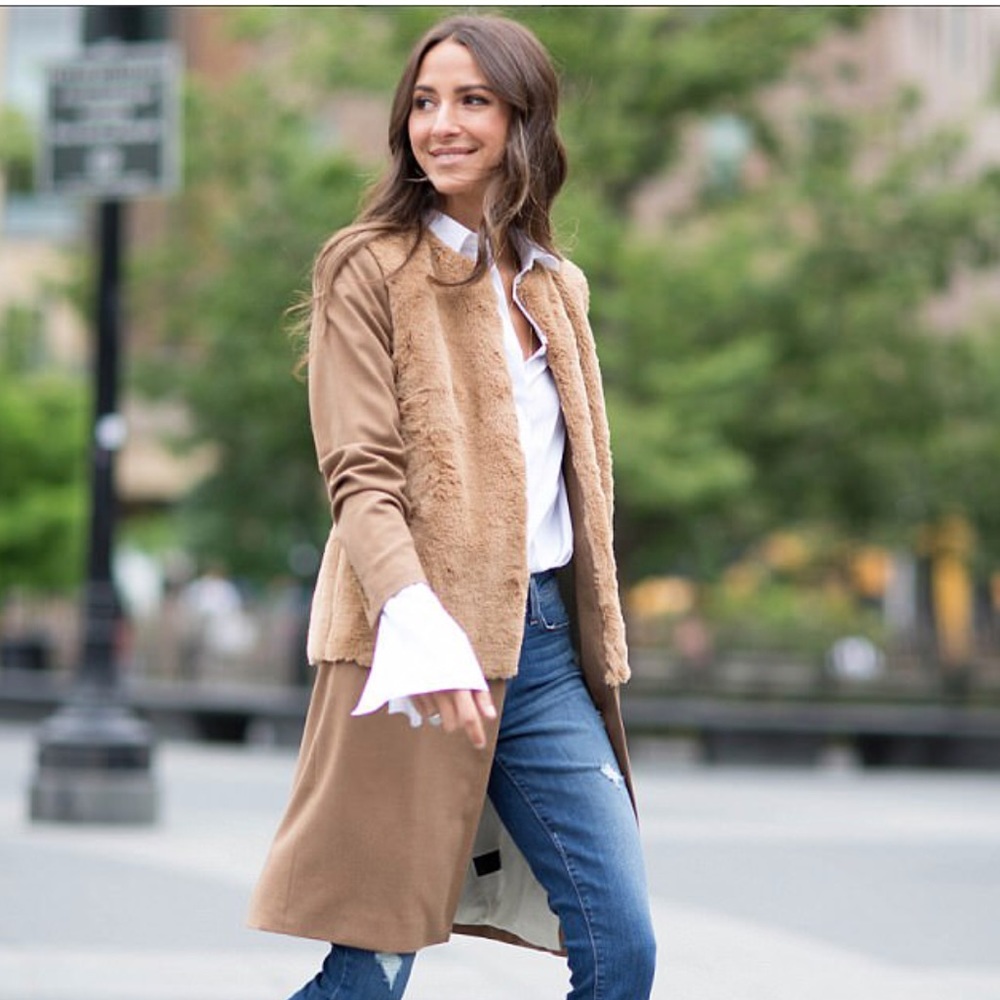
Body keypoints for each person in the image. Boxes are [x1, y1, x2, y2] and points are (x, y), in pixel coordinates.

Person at [249, 14, 657, 1000]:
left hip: (550, 651)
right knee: (372, 967)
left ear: (523, 119)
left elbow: (574, 485)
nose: (443, 123)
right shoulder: (368, 266)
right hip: (416, 649)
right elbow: (360, 471)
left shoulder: (558, 288)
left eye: (472, 99)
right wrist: (414, 614)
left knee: (621, 950)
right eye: (425, 102)